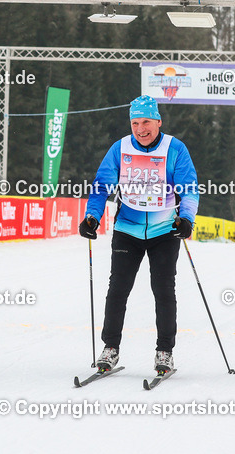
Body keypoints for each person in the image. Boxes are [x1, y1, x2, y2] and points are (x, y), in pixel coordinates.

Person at [78, 96, 199, 374]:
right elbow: (101, 186)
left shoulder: (175, 149)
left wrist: (187, 219)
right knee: (118, 289)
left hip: (164, 230)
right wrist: (92, 216)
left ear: (158, 121)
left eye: (146, 122)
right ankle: (110, 348)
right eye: (135, 123)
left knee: (163, 289)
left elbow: (189, 188)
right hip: (128, 229)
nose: (141, 129)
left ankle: (164, 352)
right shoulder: (120, 148)